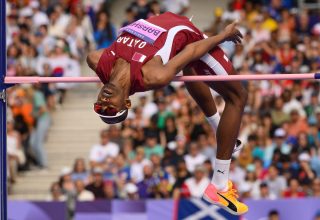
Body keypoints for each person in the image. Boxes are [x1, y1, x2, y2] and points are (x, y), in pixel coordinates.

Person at [86, 12, 248, 214]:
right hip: (191, 38)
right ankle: (220, 185)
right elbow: (192, 50)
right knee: (238, 97)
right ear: (127, 102)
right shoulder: (154, 75)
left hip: (163, 19)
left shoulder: (96, 60)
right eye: (110, 108)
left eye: (100, 106)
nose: (104, 101)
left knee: (189, 67)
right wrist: (223, 35)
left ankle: (219, 130)